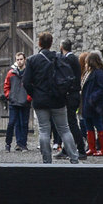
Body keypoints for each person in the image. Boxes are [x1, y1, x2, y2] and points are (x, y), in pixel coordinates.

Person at [22, 31, 81, 165]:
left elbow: (26, 82)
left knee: (44, 130)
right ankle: (74, 158)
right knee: (64, 129)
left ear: (39, 43)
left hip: (40, 100)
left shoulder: (32, 60)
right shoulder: (59, 58)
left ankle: (47, 160)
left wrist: (34, 93)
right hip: (58, 99)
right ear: (51, 43)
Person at [59, 39, 87, 160]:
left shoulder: (68, 59)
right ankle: (67, 149)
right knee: (68, 124)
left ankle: (81, 149)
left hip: (71, 95)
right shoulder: (73, 58)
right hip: (73, 94)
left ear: (61, 47)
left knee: (71, 123)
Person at [81, 50, 103, 155]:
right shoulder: (89, 73)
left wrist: (92, 98)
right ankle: (92, 148)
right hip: (87, 104)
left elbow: (102, 88)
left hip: (94, 104)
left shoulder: (99, 73)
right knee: (88, 125)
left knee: (98, 125)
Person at [3, 52, 31, 151]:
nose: (19, 61)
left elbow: (32, 86)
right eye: (17, 59)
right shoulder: (11, 73)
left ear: (25, 60)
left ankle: (22, 144)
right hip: (13, 101)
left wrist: (28, 98)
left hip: (25, 102)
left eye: (21, 59)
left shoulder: (28, 73)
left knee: (24, 123)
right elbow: (6, 86)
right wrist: (9, 96)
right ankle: (8, 144)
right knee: (11, 123)